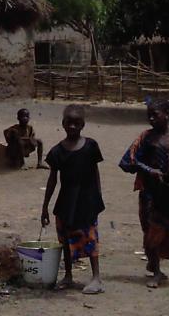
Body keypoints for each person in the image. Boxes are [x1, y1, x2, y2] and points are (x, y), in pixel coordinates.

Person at [119, 98, 169, 288]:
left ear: (167, 115)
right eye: (149, 115)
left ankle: (156, 268)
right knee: (150, 230)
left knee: (161, 228)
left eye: (155, 115)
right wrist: (149, 170)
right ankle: (155, 267)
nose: (151, 119)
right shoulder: (146, 138)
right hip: (149, 191)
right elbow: (129, 161)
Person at [41, 104, 105, 294]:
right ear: (63, 123)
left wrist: (98, 197)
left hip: (86, 199)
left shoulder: (91, 146)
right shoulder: (57, 152)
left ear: (83, 124)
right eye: (69, 123)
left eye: (77, 123)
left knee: (90, 237)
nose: (73, 127)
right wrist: (45, 207)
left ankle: (96, 278)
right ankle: (68, 275)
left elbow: (95, 172)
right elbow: (52, 180)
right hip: (66, 201)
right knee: (65, 238)